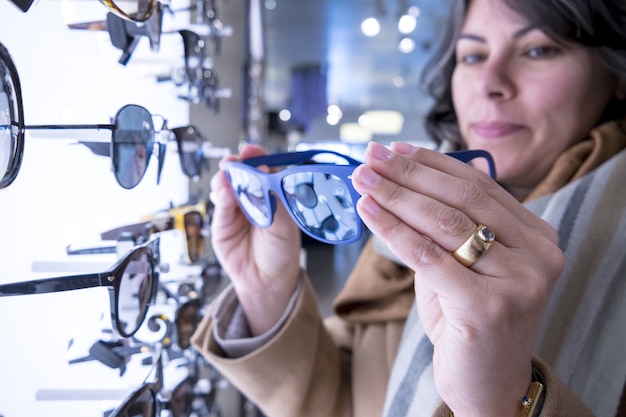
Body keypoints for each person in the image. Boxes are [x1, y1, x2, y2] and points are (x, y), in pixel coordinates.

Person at [191, 0, 626, 415]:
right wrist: (266, 291)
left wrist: (500, 402)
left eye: (537, 50)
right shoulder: (415, 224)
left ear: (614, 73)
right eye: (472, 56)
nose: (491, 82)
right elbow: (351, 402)